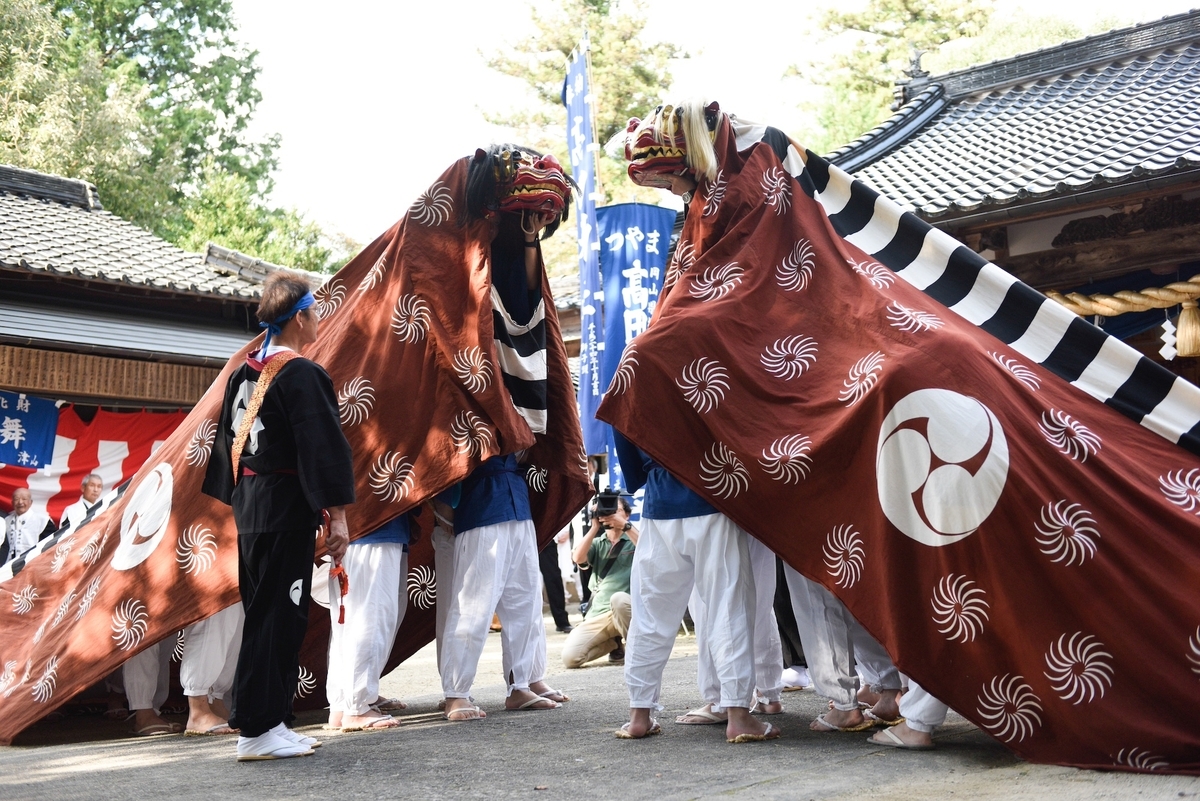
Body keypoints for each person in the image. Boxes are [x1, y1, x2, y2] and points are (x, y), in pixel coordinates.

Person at [436, 144, 574, 723]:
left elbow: (524, 299)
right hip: (483, 487)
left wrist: (531, 236)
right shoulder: (470, 351)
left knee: (523, 592)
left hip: (512, 484)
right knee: (475, 596)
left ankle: (526, 679)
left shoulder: (516, 311)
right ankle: (457, 691)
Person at [202, 271, 354, 762]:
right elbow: (323, 446)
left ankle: (272, 721)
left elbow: (227, 445)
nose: (319, 319)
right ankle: (256, 729)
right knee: (276, 616)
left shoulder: (243, 373)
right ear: (300, 319)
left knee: (273, 613)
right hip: (284, 505)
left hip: (254, 504)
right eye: (315, 311)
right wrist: (338, 518)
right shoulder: (301, 373)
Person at [612, 435, 778, 743]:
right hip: (712, 487)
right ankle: (738, 714)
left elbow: (624, 434)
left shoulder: (635, 396)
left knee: (650, 614)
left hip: (660, 499)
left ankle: (639, 715)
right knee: (728, 607)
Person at [325, 514, 411, 732]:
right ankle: (357, 707)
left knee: (351, 620)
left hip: (367, 524)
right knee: (372, 615)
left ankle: (342, 704)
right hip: (374, 522)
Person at [561, 496, 636, 669]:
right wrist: (594, 526)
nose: (611, 515)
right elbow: (578, 558)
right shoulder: (597, 543)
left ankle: (637, 652)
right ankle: (614, 644)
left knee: (618, 599)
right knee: (570, 659)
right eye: (606, 511)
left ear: (627, 515)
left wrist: (625, 526)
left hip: (627, 608)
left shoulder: (635, 539)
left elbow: (649, 549)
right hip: (599, 612)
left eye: (616, 511)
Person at [2, 488, 55, 565]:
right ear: (12, 502)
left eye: (24, 499)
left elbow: (51, 544)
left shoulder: (42, 520)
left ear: (31, 502)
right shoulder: (6, 520)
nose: (20, 502)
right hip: (7, 565)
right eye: (16, 499)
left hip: (33, 564)